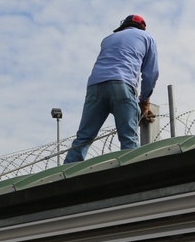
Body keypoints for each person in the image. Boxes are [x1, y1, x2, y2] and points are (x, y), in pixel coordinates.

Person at [64, 14, 159, 163]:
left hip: (95, 86)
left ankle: (66, 176)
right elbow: (151, 74)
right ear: (142, 28)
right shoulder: (147, 37)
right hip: (122, 84)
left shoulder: (108, 39)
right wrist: (144, 100)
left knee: (83, 137)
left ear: (123, 26)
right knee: (128, 138)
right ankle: (132, 176)